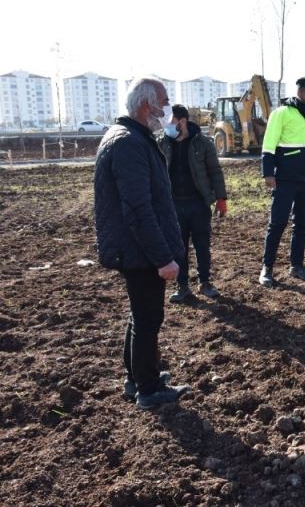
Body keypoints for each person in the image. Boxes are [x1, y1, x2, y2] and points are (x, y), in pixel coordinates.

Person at [94, 77, 190, 410]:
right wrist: (163, 258)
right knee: (148, 319)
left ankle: (136, 378)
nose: (167, 109)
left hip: (135, 247)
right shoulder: (129, 143)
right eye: (163, 102)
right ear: (146, 105)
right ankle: (148, 391)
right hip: (139, 249)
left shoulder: (130, 137)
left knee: (141, 316)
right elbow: (138, 207)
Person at [259, 77, 305, 287]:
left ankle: (296, 265)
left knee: (302, 224)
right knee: (277, 223)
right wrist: (268, 173)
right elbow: (269, 145)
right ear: (299, 92)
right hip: (285, 179)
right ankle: (267, 268)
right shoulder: (281, 113)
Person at [157, 104, 228, 303]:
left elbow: (214, 171)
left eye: (170, 122)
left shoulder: (203, 143)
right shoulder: (161, 143)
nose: (167, 126)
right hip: (173, 206)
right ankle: (182, 286)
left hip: (198, 204)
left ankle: (205, 283)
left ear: (182, 121)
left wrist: (220, 198)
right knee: (179, 248)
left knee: (202, 245)